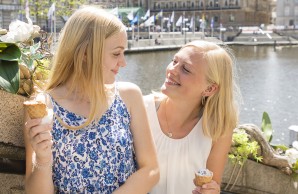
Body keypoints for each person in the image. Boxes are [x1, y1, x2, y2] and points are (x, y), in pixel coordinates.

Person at [24, 6, 159, 194]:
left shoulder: (129, 96)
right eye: (116, 53)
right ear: (85, 53)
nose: (123, 62)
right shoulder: (43, 105)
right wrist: (43, 159)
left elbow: (151, 170)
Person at [144, 40, 240, 194]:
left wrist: (211, 190)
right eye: (174, 61)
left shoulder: (218, 128)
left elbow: (212, 185)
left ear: (209, 88)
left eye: (186, 69)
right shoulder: (141, 109)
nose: (172, 70)